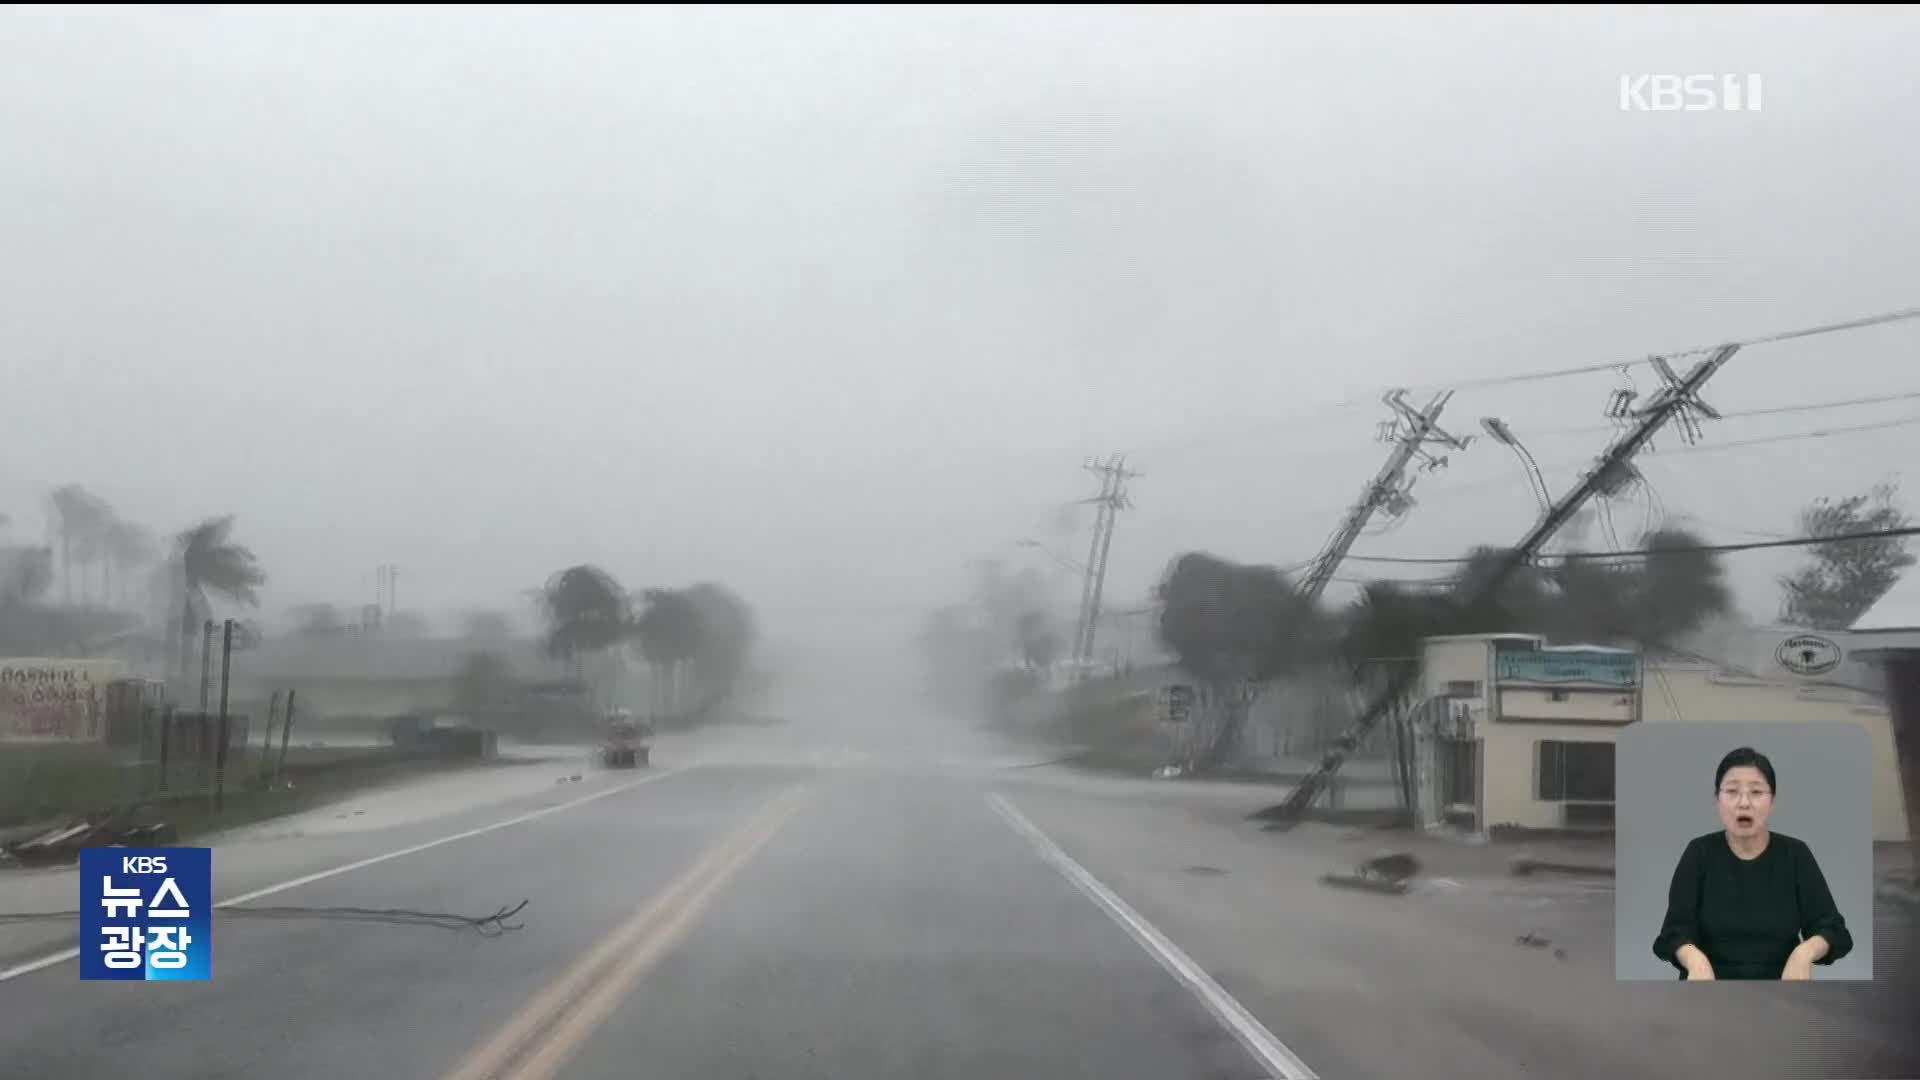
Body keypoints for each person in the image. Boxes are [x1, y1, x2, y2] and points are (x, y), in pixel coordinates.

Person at [1652, 746, 1853, 980]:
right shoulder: (1699, 853)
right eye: (1732, 791)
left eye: (1756, 792)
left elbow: (1833, 930)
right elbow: (1674, 932)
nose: (1744, 803)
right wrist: (1694, 960)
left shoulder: (1795, 854)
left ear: (1772, 801)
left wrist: (1804, 953)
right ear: (1717, 800)